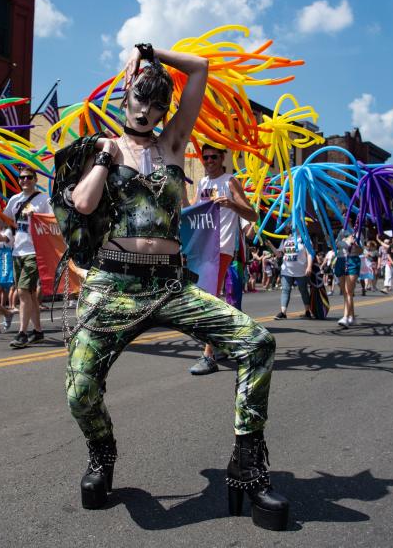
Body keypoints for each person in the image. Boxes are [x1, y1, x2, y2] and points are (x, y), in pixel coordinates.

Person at [62, 43, 288, 529]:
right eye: (139, 102)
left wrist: (152, 52)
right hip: (112, 284)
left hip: (168, 284)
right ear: (125, 100)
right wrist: (104, 155)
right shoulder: (105, 147)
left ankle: (248, 467)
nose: (146, 111)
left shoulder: (174, 145)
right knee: (81, 390)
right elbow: (81, 203)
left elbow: (201, 68)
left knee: (257, 342)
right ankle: (102, 455)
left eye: (157, 105)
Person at [189, 143, 260, 375]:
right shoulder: (202, 183)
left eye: (213, 157)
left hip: (222, 248)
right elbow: (194, 211)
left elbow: (252, 214)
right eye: (205, 157)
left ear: (222, 159)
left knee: (210, 300)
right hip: (202, 248)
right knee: (204, 300)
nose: (208, 161)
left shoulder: (230, 181)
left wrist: (231, 204)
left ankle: (208, 356)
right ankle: (224, 342)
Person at [3, 165, 53, 348]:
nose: (24, 180)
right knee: (29, 294)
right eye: (21, 178)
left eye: (28, 177)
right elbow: (6, 220)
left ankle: (22, 333)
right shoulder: (14, 200)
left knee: (22, 291)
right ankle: (38, 331)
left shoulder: (43, 200)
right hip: (17, 251)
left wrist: (37, 215)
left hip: (35, 251)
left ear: (35, 179)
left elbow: (54, 223)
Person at [274, 229, 312, 319]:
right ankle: (283, 312)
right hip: (286, 270)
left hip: (301, 270)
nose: (291, 226)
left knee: (303, 291)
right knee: (285, 290)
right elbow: (279, 254)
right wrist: (270, 245)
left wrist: (309, 266)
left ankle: (307, 311)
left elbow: (310, 253)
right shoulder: (285, 239)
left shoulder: (305, 238)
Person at [335, 230, 362, 327]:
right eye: (343, 214)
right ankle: (352, 317)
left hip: (352, 260)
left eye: (346, 214)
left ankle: (346, 317)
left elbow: (361, 251)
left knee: (349, 291)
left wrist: (355, 244)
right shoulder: (341, 232)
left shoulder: (357, 232)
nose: (344, 216)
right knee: (345, 293)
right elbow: (336, 245)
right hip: (340, 260)